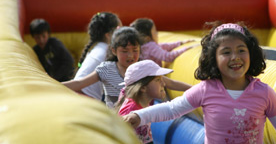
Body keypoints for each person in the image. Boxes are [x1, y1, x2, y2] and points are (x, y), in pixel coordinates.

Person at [123, 22, 276, 144]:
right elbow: (172, 109)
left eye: (241, 50)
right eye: (226, 52)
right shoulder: (207, 90)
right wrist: (139, 116)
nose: (235, 57)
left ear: (251, 54)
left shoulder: (264, 93)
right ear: (213, 58)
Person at [63, 27, 192, 108]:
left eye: (135, 50)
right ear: (114, 51)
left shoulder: (143, 68)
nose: (130, 55)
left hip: (142, 127)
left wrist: (195, 88)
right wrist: (52, 84)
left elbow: (170, 83)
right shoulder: (106, 69)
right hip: (117, 125)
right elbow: (80, 83)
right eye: (124, 51)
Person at [116, 60, 174, 144]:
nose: (163, 83)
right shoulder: (130, 111)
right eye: (157, 80)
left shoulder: (144, 102)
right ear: (142, 88)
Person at [74, 12, 122, 100]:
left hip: (78, 94)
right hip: (85, 99)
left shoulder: (98, 48)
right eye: (119, 30)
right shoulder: (107, 53)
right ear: (108, 35)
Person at [130, 18, 196, 66]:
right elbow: (167, 57)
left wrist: (180, 43)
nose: (157, 34)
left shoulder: (142, 47)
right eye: (155, 32)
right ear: (147, 37)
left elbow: (163, 46)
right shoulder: (151, 46)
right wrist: (186, 49)